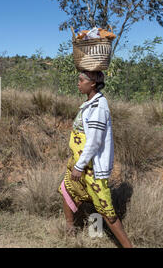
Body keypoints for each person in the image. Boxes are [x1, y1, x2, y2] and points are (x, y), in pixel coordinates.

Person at [58, 70, 133, 248]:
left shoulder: (99, 106)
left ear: (92, 83)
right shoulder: (89, 103)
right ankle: (70, 231)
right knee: (67, 189)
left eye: (81, 80)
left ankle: (128, 246)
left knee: (107, 211)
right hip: (80, 165)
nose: (78, 83)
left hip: (92, 169)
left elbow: (95, 142)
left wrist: (80, 165)